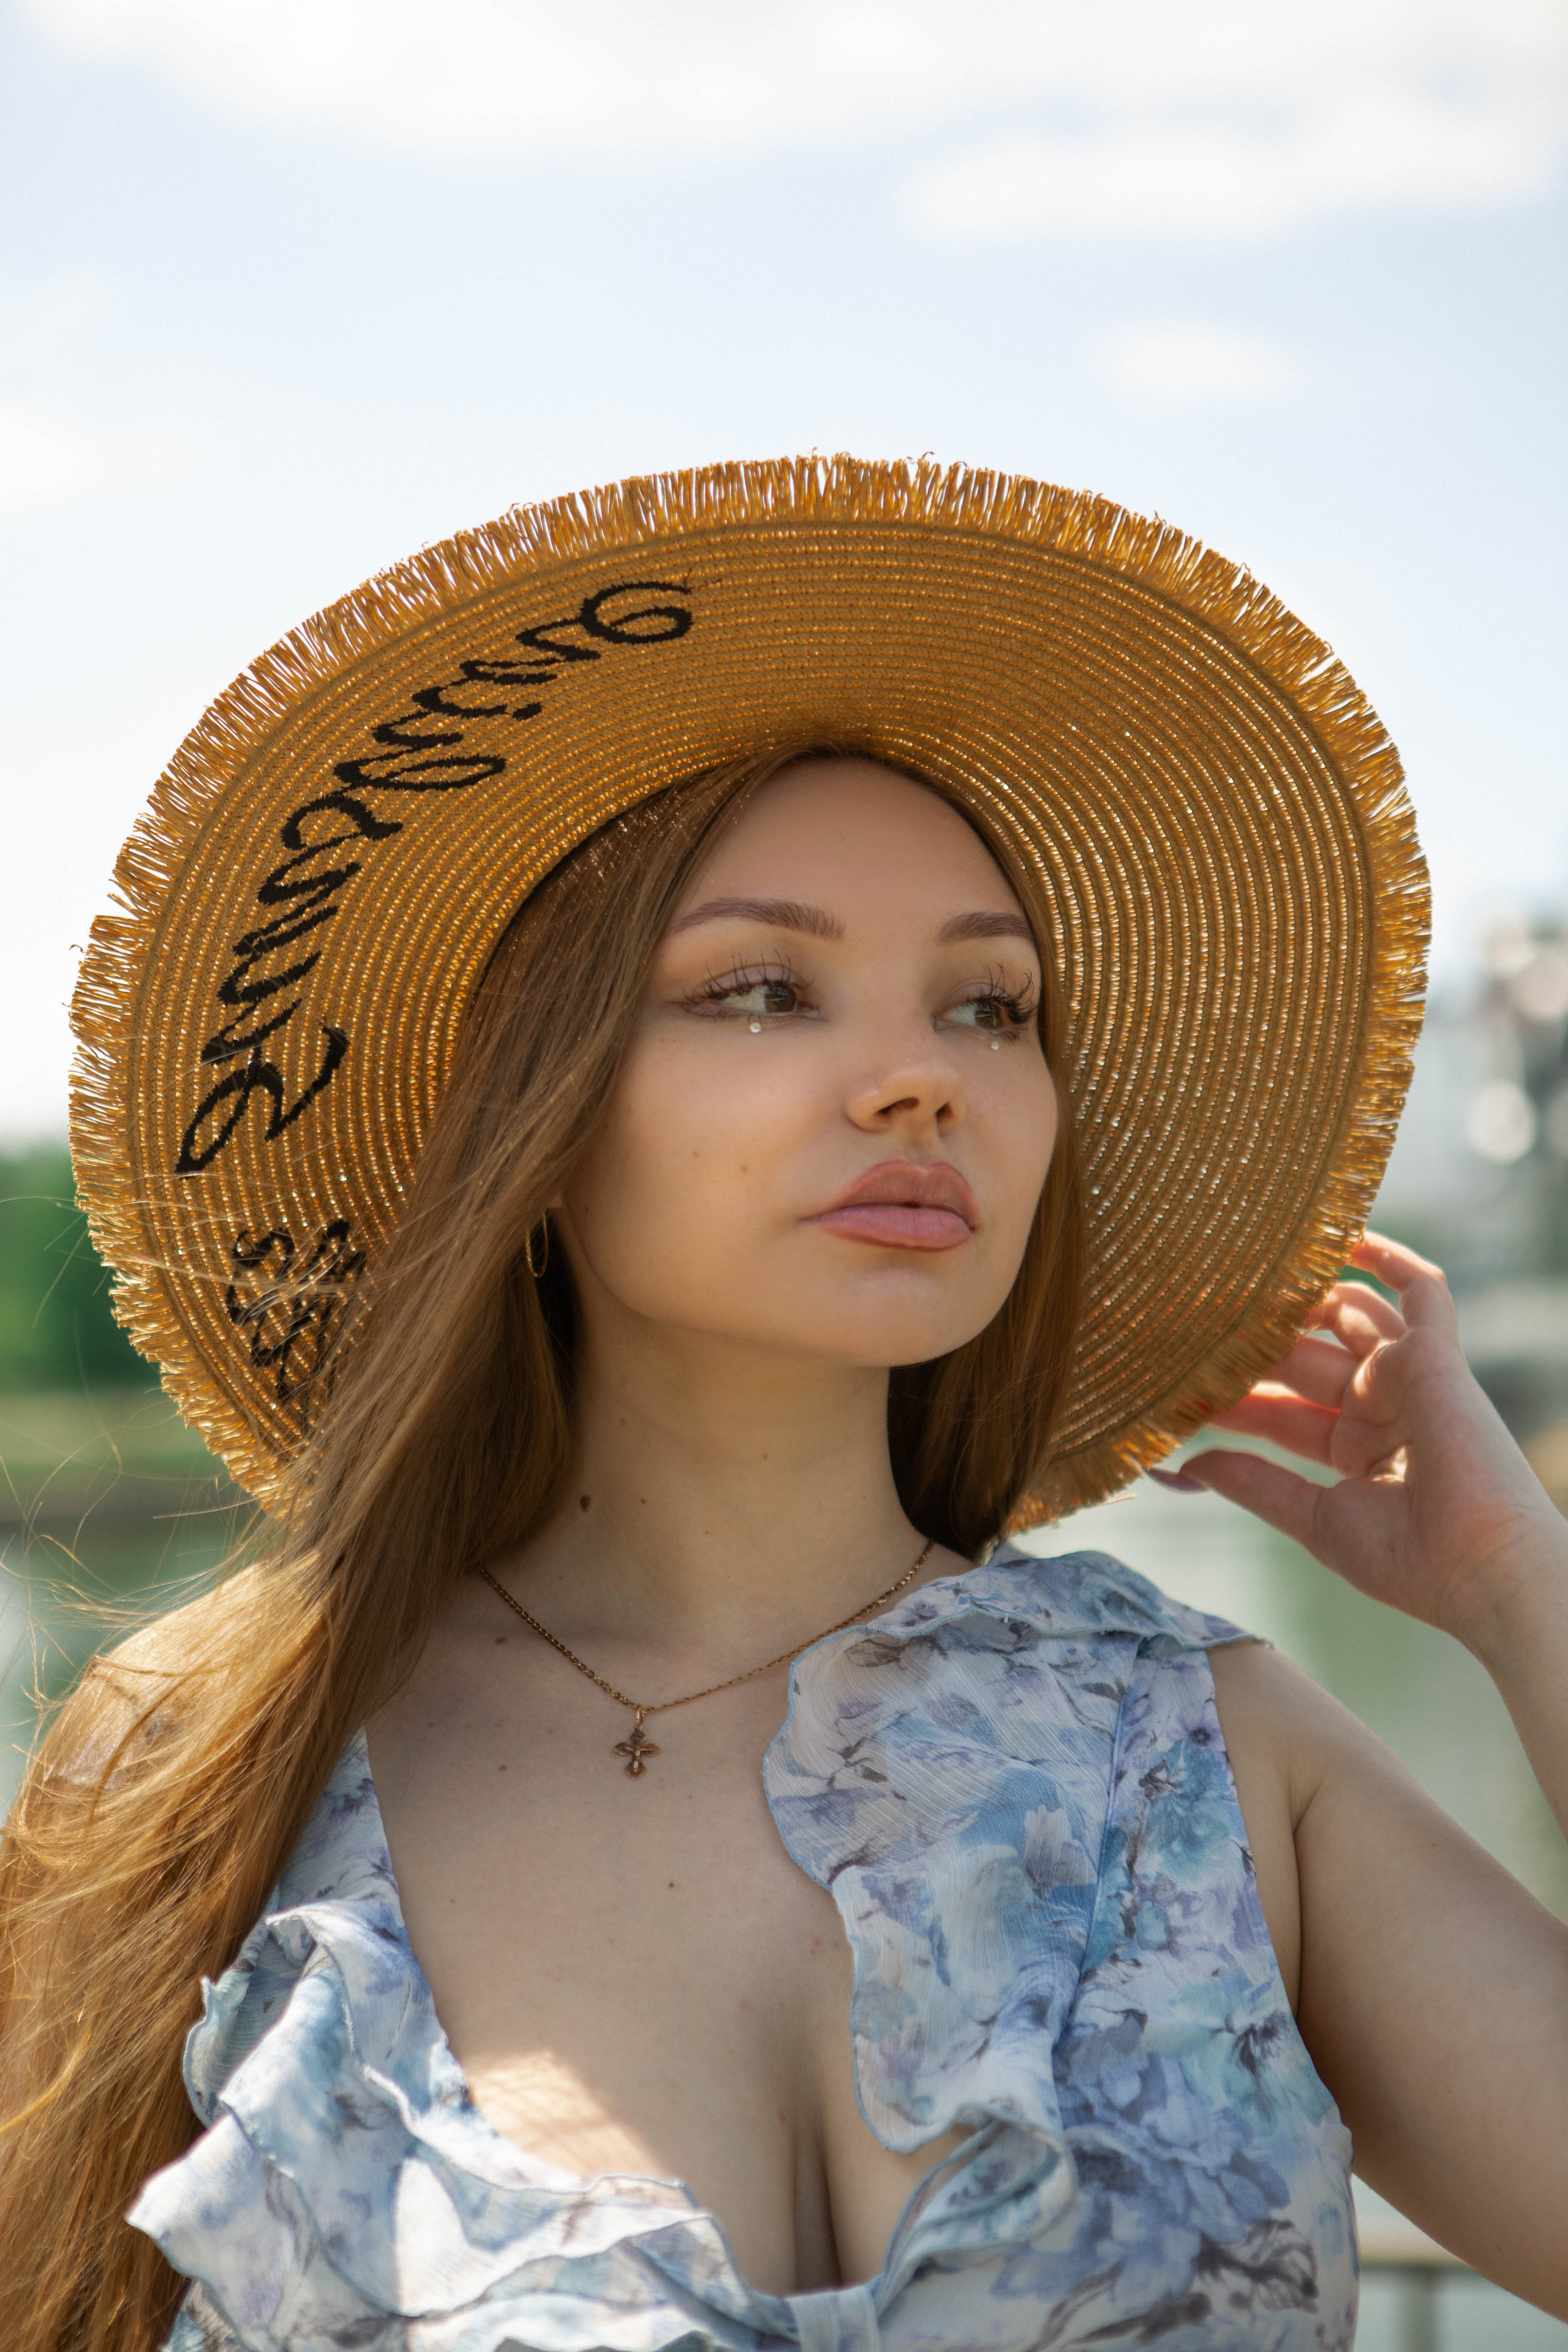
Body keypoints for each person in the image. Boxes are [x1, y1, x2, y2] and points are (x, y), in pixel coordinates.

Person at [1, 456, 1564, 2352]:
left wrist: (1515, 1583)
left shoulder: (1212, 1754)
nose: (921, 1079)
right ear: (542, 1123)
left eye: (991, 1007)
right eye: (760, 990)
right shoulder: (204, 1759)